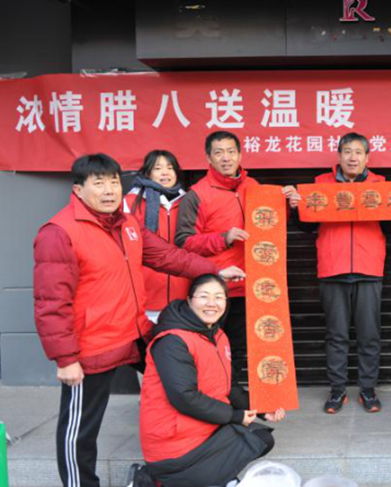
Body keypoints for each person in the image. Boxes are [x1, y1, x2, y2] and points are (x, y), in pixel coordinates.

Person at [33, 154, 245, 487]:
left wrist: (214, 271)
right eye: (99, 183)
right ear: (78, 189)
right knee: (80, 429)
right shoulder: (60, 232)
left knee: (198, 384)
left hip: (136, 331)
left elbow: (168, 256)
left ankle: (201, 465)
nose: (109, 190)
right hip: (91, 346)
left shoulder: (127, 224)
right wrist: (65, 358)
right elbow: (52, 303)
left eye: (114, 182)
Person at [293, 132, 391, 414]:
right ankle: (337, 390)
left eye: (358, 152)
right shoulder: (319, 185)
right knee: (336, 335)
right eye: (347, 152)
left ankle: (368, 389)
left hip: (369, 268)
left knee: (369, 335)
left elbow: (389, 228)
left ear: (367, 158)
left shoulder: (381, 186)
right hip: (332, 268)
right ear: (339, 156)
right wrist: (295, 208)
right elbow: (306, 227)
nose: (352, 157)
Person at [139, 274, 284, 487]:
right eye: (204, 296)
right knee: (253, 439)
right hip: (174, 442)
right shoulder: (172, 341)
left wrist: (262, 408)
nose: (212, 303)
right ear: (189, 300)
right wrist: (235, 416)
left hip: (204, 428)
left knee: (259, 437)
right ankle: (154, 479)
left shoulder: (218, 336)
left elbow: (228, 386)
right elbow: (185, 397)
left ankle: (206, 477)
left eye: (219, 297)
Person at [175, 131, 297, 377]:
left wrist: (288, 205)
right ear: (208, 158)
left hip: (251, 286)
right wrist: (224, 238)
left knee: (241, 350)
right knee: (210, 348)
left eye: (231, 152)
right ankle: (213, 396)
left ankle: (235, 396)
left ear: (240, 155)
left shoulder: (254, 187)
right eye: (219, 152)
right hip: (215, 288)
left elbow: (270, 226)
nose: (226, 158)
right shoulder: (196, 194)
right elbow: (184, 242)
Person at [125, 150, 189, 323]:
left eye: (170, 168)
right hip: (145, 295)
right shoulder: (130, 202)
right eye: (158, 168)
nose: (165, 173)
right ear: (148, 173)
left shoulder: (188, 201)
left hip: (182, 295)